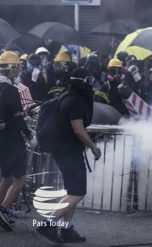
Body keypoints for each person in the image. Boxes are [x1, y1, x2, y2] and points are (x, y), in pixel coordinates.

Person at [36, 68, 102, 244]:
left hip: (64, 149)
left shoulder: (68, 94)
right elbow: (78, 129)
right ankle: (49, 223)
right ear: (81, 81)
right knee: (78, 192)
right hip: (68, 150)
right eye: (88, 80)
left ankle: (67, 229)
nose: (91, 84)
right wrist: (93, 147)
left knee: (72, 191)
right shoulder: (74, 100)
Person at [0, 52, 35, 231]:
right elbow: (18, 117)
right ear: (12, 69)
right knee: (21, 178)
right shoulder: (11, 90)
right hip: (12, 138)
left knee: (6, 176)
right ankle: (3, 209)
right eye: (17, 68)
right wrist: (29, 135)